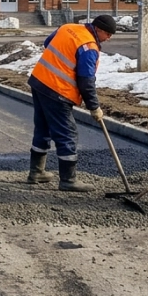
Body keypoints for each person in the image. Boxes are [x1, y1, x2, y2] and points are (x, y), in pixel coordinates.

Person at [27, 14, 116, 191]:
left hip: (39, 81)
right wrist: (94, 107)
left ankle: (36, 172)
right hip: (58, 90)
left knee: (43, 128)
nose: (109, 38)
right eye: (108, 34)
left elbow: (48, 43)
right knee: (67, 133)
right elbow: (86, 81)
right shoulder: (89, 47)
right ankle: (68, 180)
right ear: (98, 29)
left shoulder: (69, 27)